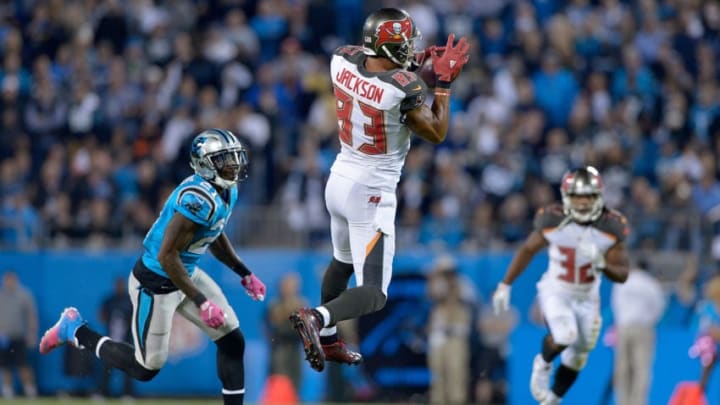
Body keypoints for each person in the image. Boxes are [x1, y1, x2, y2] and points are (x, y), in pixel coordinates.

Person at [288, 7, 471, 372]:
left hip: (339, 177)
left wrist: (417, 60)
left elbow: (376, 67)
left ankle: (329, 341)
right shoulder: (404, 88)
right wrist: (444, 84)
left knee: (341, 263)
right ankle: (318, 317)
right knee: (374, 293)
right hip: (371, 190)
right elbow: (436, 131)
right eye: (405, 44)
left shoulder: (341, 59)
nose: (410, 49)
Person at [38, 129, 267, 405]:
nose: (233, 165)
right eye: (224, 160)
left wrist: (243, 272)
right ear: (205, 164)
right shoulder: (196, 198)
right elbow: (166, 256)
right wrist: (201, 301)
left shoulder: (226, 191)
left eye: (233, 158)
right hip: (156, 281)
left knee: (233, 341)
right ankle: (74, 329)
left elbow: (214, 232)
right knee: (145, 368)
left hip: (187, 273)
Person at [492, 166, 630, 405]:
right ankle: (543, 364)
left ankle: (553, 399)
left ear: (599, 197)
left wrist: (601, 263)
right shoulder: (553, 220)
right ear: (567, 198)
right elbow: (527, 250)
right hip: (557, 289)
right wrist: (506, 284)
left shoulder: (611, 226)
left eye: (588, 196)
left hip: (588, 296)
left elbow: (622, 275)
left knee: (578, 356)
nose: (583, 203)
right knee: (565, 335)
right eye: (577, 197)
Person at [610, 263, 666, 405]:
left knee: (623, 367)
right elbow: (659, 307)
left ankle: (622, 401)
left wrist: (621, 320)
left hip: (623, 327)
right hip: (643, 328)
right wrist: (649, 321)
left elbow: (615, 304)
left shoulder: (622, 282)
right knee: (641, 368)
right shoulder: (651, 284)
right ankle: (638, 402)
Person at [0, 271, 37, 399]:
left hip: (19, 335)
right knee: (4, 366)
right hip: (3, 337)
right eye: (7, 279)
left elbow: (31, 315)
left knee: (23, 364)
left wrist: (32, 333)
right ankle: (7, 391)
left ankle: (30, 390)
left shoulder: (24, 294)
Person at [97, 277, 134, 399]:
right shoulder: (110, 300)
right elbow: (101, 315)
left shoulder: (129, 301)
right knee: (106, 368)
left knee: (127, 369)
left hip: (126, 340)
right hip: (111, 340)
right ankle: (104, 393)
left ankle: (127, 393)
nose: (119, 287)